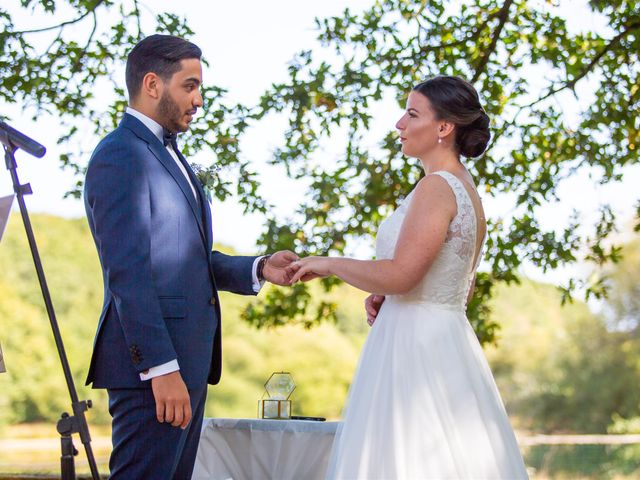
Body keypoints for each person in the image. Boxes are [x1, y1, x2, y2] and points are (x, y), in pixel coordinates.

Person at [290, 76, 528, 479]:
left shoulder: (437, 187)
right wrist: (388, 293)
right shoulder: (467, 190)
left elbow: (400, 274)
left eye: (412, 113)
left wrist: (327, 263)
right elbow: (457, 286)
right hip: (443, 337)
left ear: (443, 127)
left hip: (416, 351)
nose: (399, 123)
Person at [83, 34, 297, 479]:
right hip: (155, 372)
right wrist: (161, 370)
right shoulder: (120, 156)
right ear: (152, 84)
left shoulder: (169, 154)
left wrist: (258, 268)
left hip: (188, 365)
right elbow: (129, 274)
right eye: (190, 85)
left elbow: (185, 259)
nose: (199, 100)